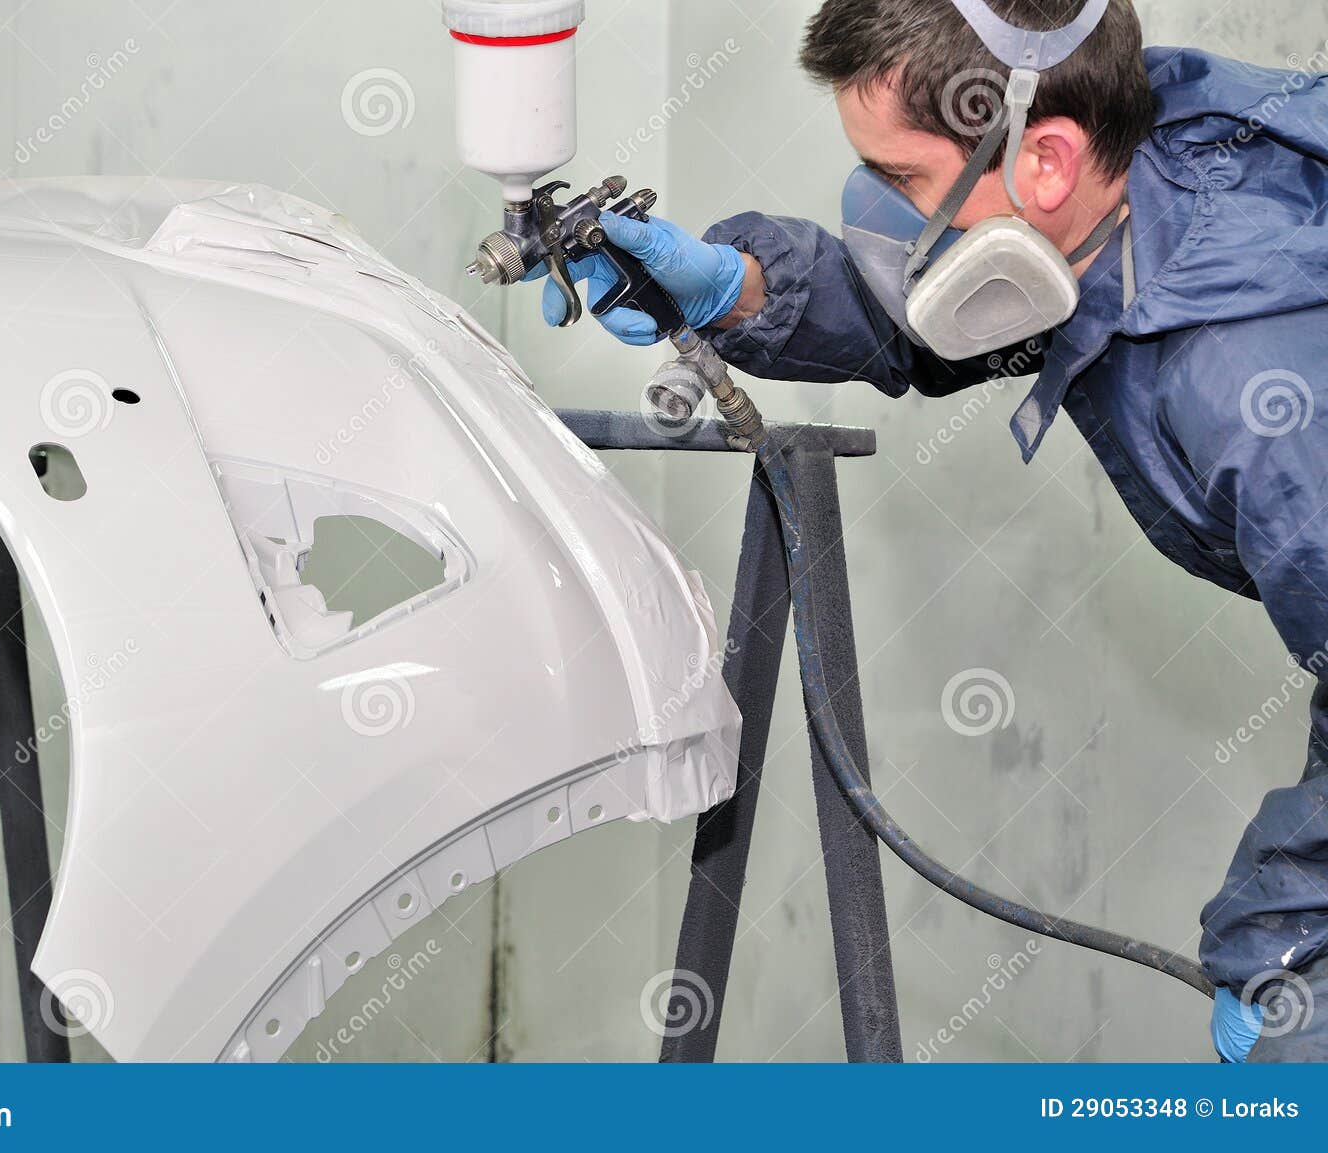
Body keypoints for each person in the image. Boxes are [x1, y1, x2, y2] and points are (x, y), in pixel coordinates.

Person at [544, 0, 1328, 1062]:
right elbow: (950, 314)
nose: (884, 213)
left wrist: (1277, 946)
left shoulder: (1254, 390)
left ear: (1043, 161)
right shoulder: (1141, 165)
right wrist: (739, 290)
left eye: (904, 183)